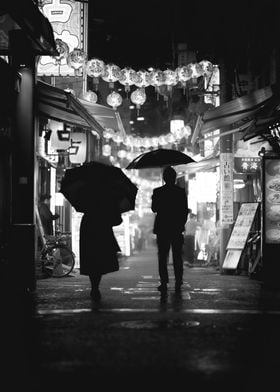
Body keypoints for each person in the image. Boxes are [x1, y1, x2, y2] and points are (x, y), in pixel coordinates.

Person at [79, 188, 122, 301]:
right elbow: (117, 220)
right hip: (102, 228)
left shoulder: (86, 194)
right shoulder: (108, 196)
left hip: (88, 228)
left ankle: (94, 286)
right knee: (100, 257)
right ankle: (95, 286)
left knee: (91, 257)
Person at [151, 166, 188, 295]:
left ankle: (164, 282)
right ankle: (178, 281)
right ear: (175, 178)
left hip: (162, 228)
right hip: (176, 228)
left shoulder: (158, 192)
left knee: (162, 257)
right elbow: (184, 211)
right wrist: (181, 224)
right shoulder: (180, 192)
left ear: (164, 178)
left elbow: (154, 208)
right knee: (178, 256)